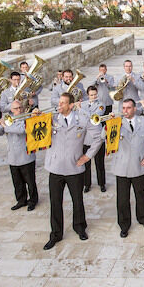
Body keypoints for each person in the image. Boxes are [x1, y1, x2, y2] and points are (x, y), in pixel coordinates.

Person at [42, 93, 102, 249]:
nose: (59, 105)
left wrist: (88, 156)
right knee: (55, 202)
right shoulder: (52, 118)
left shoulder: (81, 119)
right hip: (55, 168)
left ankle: (80, 227)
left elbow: (98, 136)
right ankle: (55, 234)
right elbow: (35, 132)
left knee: (77, 200)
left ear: (71, 105)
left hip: (74, 167)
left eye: (63, 103)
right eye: (59, 102)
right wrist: (36, 117)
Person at [108, 99, 144, 238]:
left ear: (134, 109)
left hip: (138, 165)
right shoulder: (117, 122)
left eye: (128, 108)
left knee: (140, 193)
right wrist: (109, 124)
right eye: (123, 108)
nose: (125, 110)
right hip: (122, 166)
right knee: (122, 198)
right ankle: (124, 225)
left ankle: (143, 218)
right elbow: (105, 138)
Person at [0, 99, 38, 210]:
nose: (18, 110)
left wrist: (5, 125)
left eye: (20, 108)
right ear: (11, 110)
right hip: (13, 157)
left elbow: (21, 130)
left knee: (30, 182)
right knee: (17, 182)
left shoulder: (27, 118)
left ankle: (33, 200)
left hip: (26, 156)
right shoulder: (9, 120)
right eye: (15, 108)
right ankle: (21, 200)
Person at [77, 86, 107, 192]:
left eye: (95, 94)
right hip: (85, 139)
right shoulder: (83, 104)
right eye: (91, 95)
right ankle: (87, 184)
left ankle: (102, 183)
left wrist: (81, 109)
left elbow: (94, 117)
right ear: (87, 95)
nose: (94, 96)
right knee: (86, 163)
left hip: (97, 137)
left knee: (100, 163)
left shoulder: (101, 105)